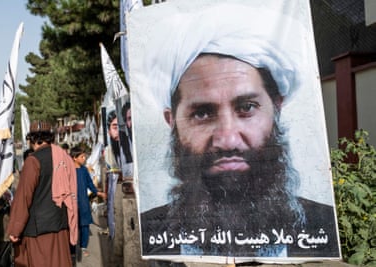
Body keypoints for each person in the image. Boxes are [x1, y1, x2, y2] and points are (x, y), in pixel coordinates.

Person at [137, 3, 340, 259]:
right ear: (172, 121)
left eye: (246, 107)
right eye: (202, 113)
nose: (228, 139)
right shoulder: (153, 235)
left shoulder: (321, 228)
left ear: (276, 107)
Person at [7, 121, 78, 267]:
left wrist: (15, 229)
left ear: (32, 139)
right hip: (61, 224)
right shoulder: (64, 157)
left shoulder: (33, 161)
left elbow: (23, 197)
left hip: (39, 231)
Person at [70, 146, 106, 257]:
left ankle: (83, 247)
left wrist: (98, 192)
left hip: (84, 202)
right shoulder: (68, 171)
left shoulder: (84, 170)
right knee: (73, 226)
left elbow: (90, 184)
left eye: (84, 156)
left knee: (85, 226)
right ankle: (72, 250)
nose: (84, 158)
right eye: (82, 156)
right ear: (74, 158)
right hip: (72, 203)